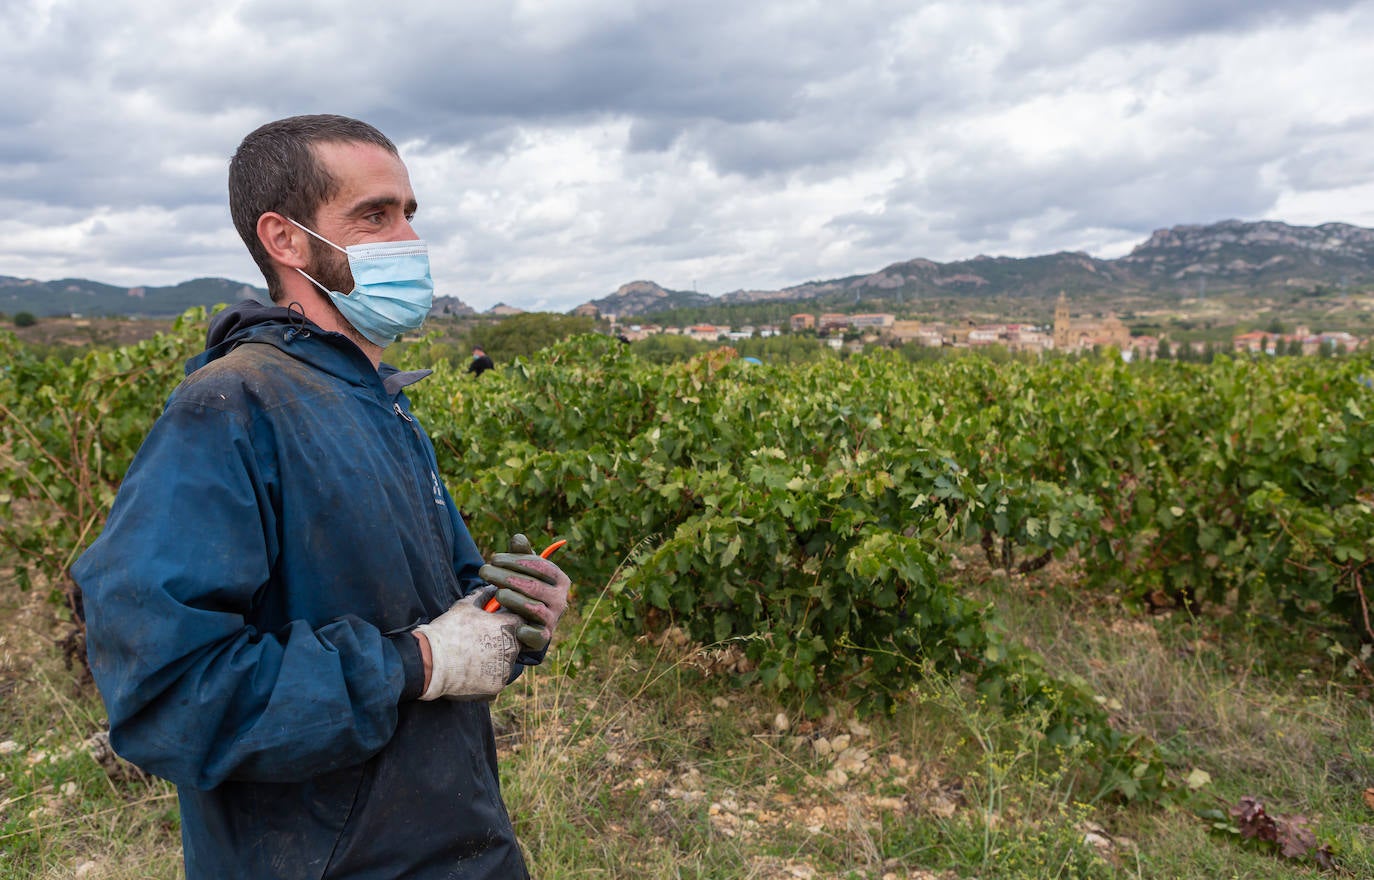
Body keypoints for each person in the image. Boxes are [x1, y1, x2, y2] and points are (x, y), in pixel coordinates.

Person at [71, 114, 571, 879]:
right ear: (286, 239)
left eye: (409, 213)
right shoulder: (230, 409)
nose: (407, 239)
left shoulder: (378, 401)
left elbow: (429, 615)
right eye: (373, 216)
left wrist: (507, 615)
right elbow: (167, 694)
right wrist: (420, 662)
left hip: (454, 843)